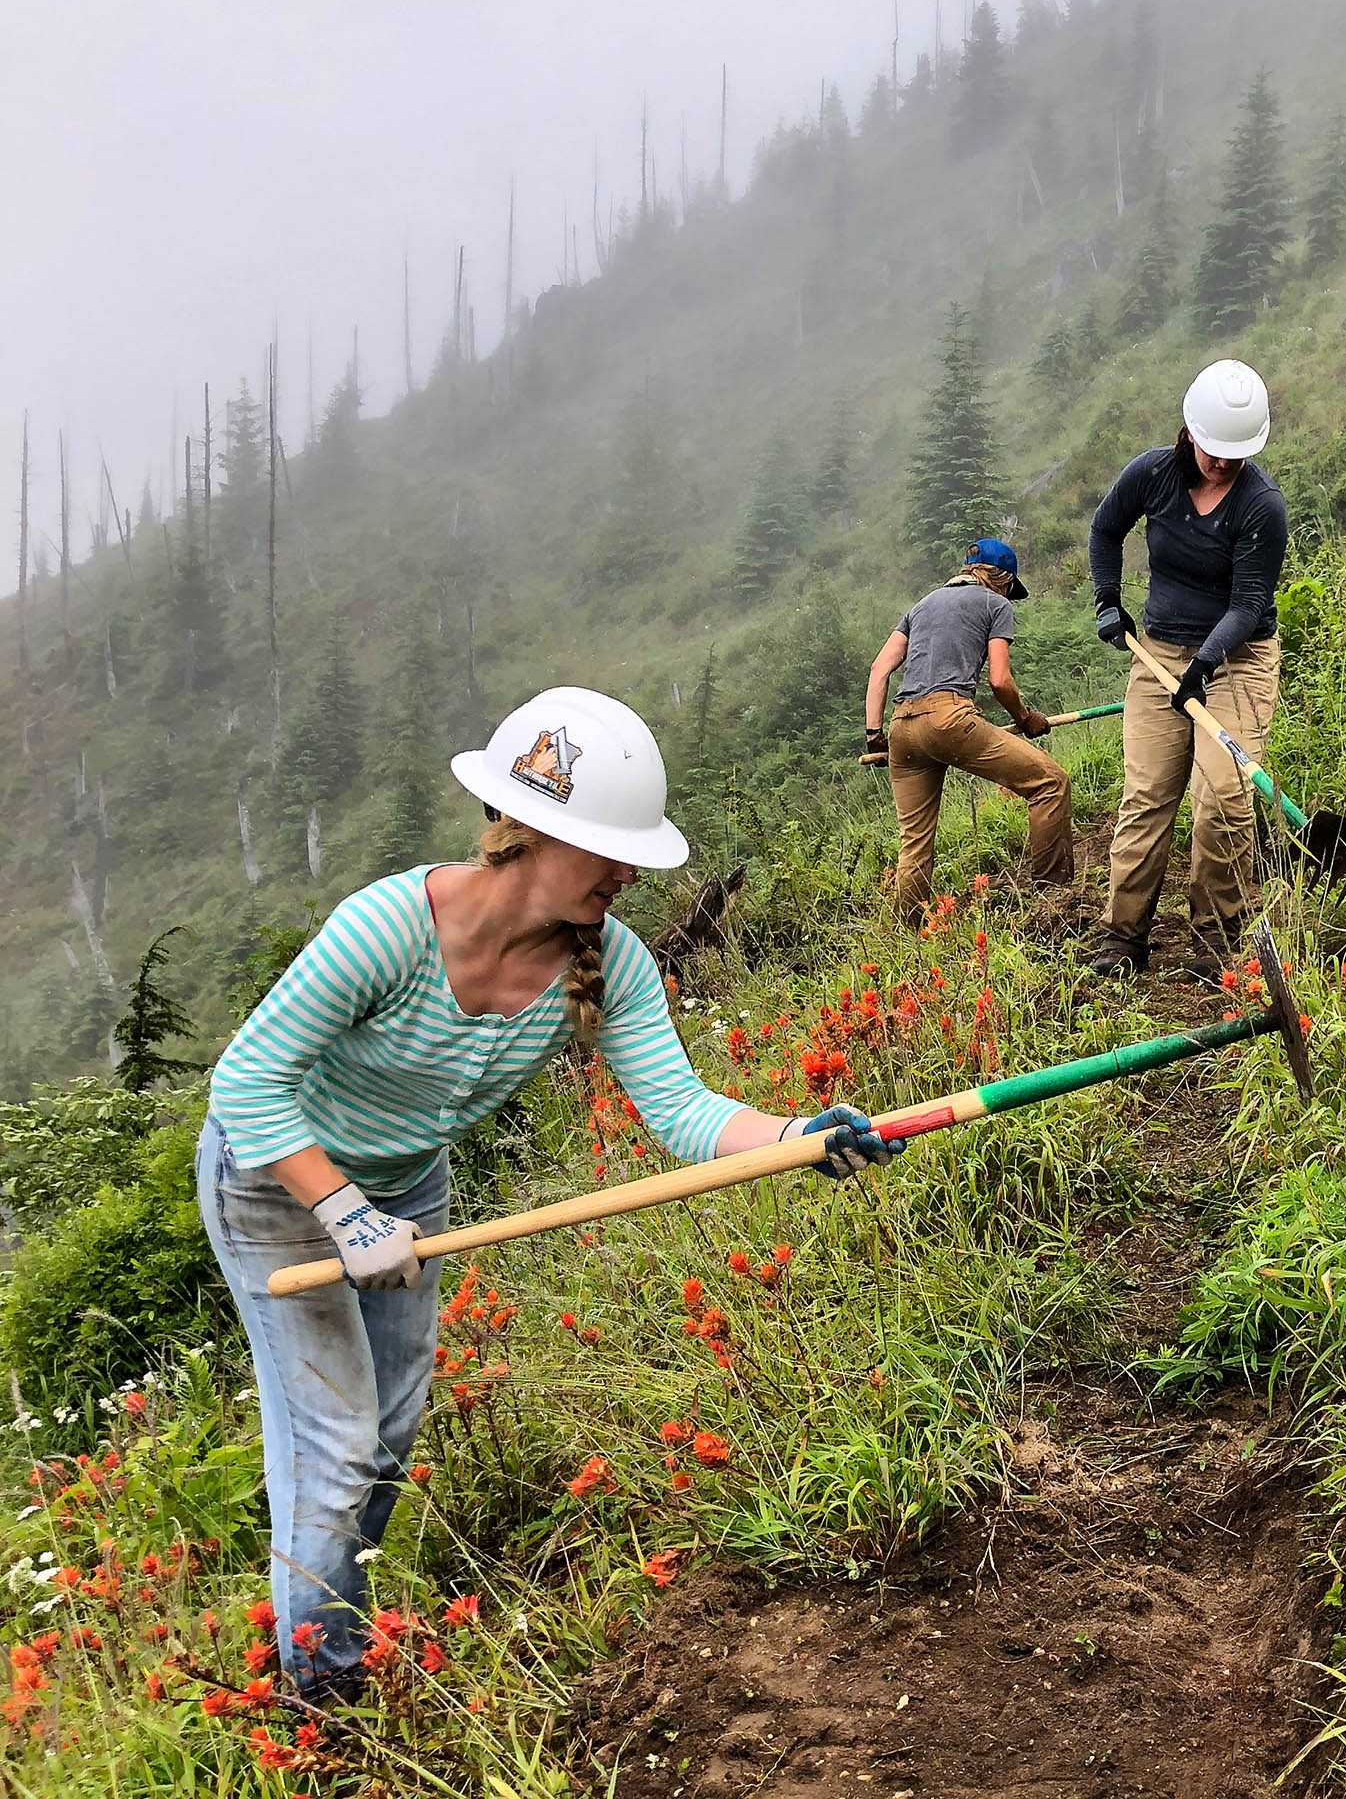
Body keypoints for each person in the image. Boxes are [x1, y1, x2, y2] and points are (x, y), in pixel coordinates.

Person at [199, 686, 902, 1703]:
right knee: (335, 1445)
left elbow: (684, 1110)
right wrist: (341, 1210)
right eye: (606, 848)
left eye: (633, 852)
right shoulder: (389, 928)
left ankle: (326, 1607)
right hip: (276, 1185)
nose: (627, 872)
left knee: (386, 1437)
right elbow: (246, 1083)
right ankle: (324, 1692)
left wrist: (797, 1135)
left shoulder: (610, 964)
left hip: (404, 1188)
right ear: (524, 831)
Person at [1088, 360, 1289, 976]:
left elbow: (1248, 605)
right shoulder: (1152, 474)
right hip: (1158, 653)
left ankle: (1216, 939)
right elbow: (1105, 529)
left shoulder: (1261, 506)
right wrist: (1107, 600)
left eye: (1236, 452)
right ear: (1190, 430)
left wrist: (1204, 663)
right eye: (1213, 448)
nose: (1222, 461)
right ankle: (1123, 937)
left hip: (1237, 659)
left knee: (1223, 796)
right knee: (1148, 796)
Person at [864, 538, 1075, 923]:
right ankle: (1055, 904)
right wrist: (1025, 718)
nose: (1009, 595)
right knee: (1050, 783)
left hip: (901, 728)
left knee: (914, 845)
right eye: (1010, 588)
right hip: (949, 717)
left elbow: (879, 670)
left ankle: (906, 937)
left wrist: (874, 735)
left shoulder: (920, 606)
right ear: (1003, 578)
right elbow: (999, 681)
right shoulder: (996, 604)